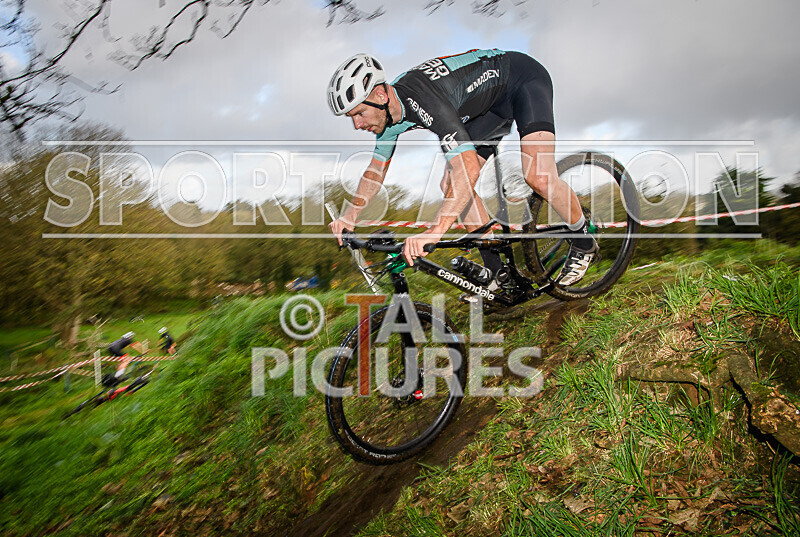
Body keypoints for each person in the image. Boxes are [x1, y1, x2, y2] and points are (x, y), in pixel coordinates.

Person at [327, 50, 597, 288]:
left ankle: (584, 241)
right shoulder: (389, 118)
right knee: (450, 185)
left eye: (359, 114)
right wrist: (349, 217)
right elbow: (375, 171)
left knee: (538, 176)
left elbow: (468, 168)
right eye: (352, 118)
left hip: (521, 80)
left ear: (380, 94)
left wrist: (435, 231)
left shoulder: (423, 100)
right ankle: (497, 275)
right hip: (487, 109)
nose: (357, 125)